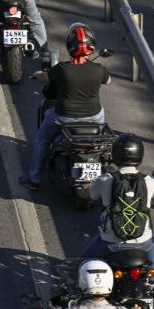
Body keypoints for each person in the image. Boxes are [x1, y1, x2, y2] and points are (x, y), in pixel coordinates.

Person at [22, 23, 111, 191]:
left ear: (69, 46)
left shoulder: (62, 69)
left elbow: (45, 78)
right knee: (101, 126)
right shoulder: (99, 69)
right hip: (93, 116)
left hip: (64, 117)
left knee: (42, 140)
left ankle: (33, 179)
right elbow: (108, 80)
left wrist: (36, 74)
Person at [82, 134, 154, 285]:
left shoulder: (105, 179)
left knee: (83, 260)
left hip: (110, 243)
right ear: (139, 155)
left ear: (116, 154)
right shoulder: (149, 181)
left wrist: (84, 186)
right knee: (153, 240)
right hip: (142, 242)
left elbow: (89, 195)